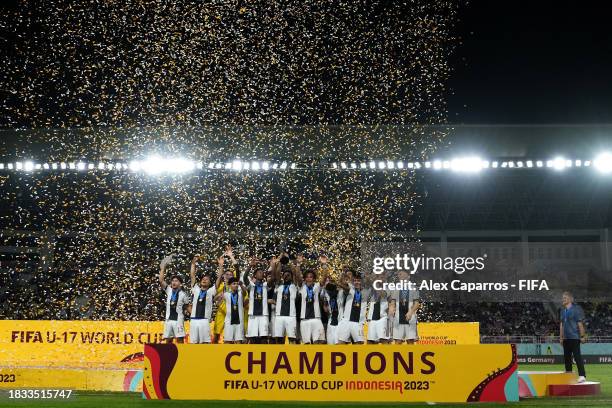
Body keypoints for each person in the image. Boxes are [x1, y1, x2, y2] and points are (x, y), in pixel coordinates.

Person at [294, 256, 330, 344]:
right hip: (304, 320)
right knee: (307, 344)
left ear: (314, 278)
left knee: (319, 343)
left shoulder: (317, 287)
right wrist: (298, 264)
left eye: (311, 277)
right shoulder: (302, 287)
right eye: (307, 277)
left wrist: (324, 264)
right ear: (305, 279)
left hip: (316, 319)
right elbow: (298, 277)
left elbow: (324, 278)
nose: (309, 278)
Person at [159, 254, 189, 343]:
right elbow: (161, 280)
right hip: (168, 320)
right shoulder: (169, 290)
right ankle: (168, 356)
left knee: (180, 340)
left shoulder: (184, 295)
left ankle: (182, 356)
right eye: (172, 281)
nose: (173, 282)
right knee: (168, 340)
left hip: (178, 321)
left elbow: (188, 307)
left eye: (176, 281)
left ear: (180, 283)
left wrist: (194, 316)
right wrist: (163, 268)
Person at [271, 254, 300, 344]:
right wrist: (280, 261)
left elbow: (296, 274)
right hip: (279, 316)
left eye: (288, 275)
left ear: (291, 276)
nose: (286, 276)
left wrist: (289, 261)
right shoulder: (279, 285)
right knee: (279, 339)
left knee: (292, 339)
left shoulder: (294, 286)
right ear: (282, 276)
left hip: (291, 316)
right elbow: (276, 274)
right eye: (285, 275)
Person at [212, 246, 239, 343]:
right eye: (226, 274)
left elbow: (237, 268)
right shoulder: (220, 285)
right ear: (223, 276)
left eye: (230, 275)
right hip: (221, 312)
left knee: (230, 338)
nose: (228, 276)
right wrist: (220, 266)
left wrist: (231, 256)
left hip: (233, 312)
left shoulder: (235, 285)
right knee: (216, 335)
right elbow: (214, 298)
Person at [188, 255, 217, 344]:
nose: (204, 280)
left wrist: (220, 266)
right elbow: (192, 276)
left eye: (207, 279)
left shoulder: (211, 291)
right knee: (193, 343)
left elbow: (219, 279)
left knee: (205, 343)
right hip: (193, 320)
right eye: (203, 279)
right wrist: (193, 264)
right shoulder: (196, 289)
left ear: (210, 283)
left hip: (205, 320)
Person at [560, 291, 587, 382]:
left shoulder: (575, 310)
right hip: (566, 338)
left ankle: (582, 375)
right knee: (567, 357)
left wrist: (582, 336)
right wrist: (561, 337)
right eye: (563, 298)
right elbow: (562, 325)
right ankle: (568, 373)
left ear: (570, 299)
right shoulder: (563, 311)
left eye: (565, 298)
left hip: (574, 337)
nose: (563, 299)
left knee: (577, 356)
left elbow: (580, 324)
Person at [389, 271, 420, 344]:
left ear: (408, 276)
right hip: (398, 318)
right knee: (398, 341)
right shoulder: (395, 288)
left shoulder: (414, 288)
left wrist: (410, 312)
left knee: (410, 341)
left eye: (402, 273)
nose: (400, 275)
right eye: (399, 274)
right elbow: (393, 302)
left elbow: (416, 303)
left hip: (410, 318)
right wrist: (391, 310)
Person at [337, 272, 368, 344]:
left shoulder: (366, 292)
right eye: (355, 281)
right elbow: (344, 287)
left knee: (359, 343)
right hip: (346, 321)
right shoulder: (350, 289)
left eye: (358, 280)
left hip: (358, 322)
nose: (357, 282)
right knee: (341, 343)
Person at [243, 264, 270, 343]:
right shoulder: (251, 285)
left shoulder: (265, 285)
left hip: (264, 314)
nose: (261, 273)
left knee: (264, 337)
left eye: (262, 272)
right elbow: (245, 277)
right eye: (259, 272)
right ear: (255, 275)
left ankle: (264, 353)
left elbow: (273, 279)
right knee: (252, 338)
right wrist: (250, 265)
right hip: (252, 315)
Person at [219, 277, 247, 344]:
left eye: (237, 284)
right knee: (227, 341)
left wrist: (241, 285)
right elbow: (215, 299)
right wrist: (220, 296)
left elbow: (245, 292)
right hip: (229, 321)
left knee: (238, 341)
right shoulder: (226, 294)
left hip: (239, 322)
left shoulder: (240, 294)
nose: (236, 285)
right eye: (234, 284)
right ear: (230, 285)